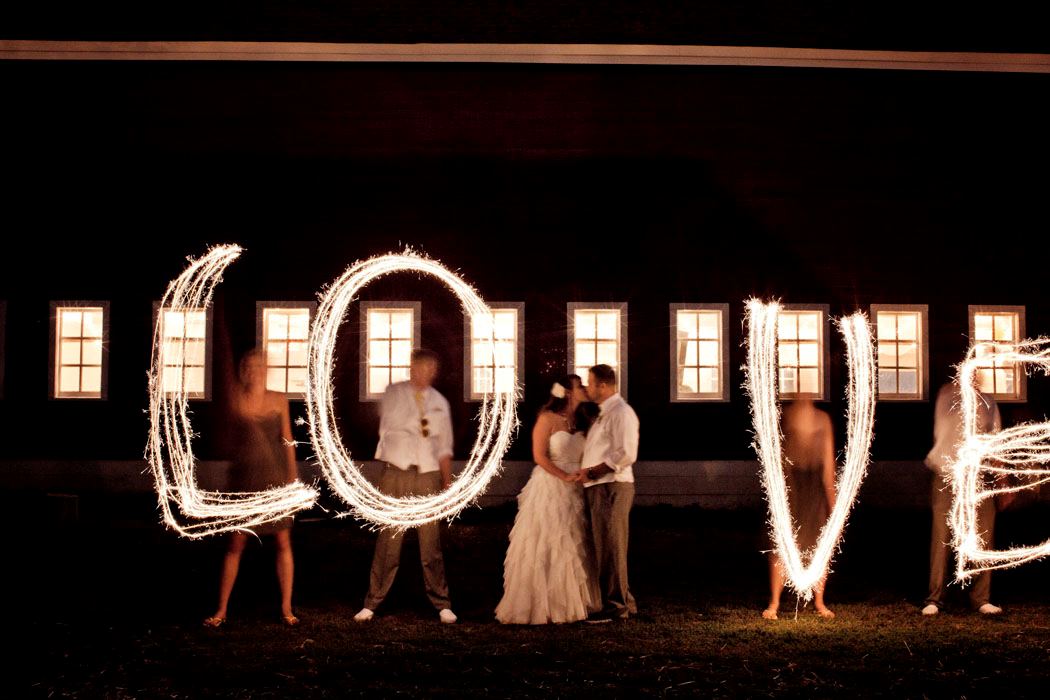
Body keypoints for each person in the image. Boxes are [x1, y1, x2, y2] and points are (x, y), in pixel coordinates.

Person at [354, 349, 458, 624]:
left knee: (430, 542)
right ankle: (373, 602)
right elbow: (391, 426)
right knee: (389, 539)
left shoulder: (440, 403)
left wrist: (446, 484)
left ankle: (441, 602)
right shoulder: (394, 393)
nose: (423, 373)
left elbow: (444, 446)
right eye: (418, 368)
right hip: (397, 472)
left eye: (429, 369)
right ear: (411, 367)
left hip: (428, 474)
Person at [204, 349, 301, 627]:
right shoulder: (235, 398)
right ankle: (221, 610)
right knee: (236, 543)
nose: (254, 370)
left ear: (266, 368)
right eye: (248, 366)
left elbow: (287, 439)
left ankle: (286, 608)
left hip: (274, 479)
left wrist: (292, 478)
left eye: (259, 365)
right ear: (242, 370)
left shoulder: (278, 399)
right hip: (245, 480)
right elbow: (224, 436)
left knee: (283, 541)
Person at [495, 375, 600, 624]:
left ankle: (577, 599)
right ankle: (545, 604)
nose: (585, 388)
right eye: (579, 385)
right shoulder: (547, 418)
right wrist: (563, 475)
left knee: (575, 542)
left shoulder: (584, 420)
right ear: (568, 392)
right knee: (550, 540)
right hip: (552, 484)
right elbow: (540, 456)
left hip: (578, 486)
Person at [922, 382, 1002, 615]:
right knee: (942, 536)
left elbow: (994, 442)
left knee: (984, 535)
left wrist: (1000, 479)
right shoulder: (946, 395)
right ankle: (935, 599)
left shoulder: (988, 402)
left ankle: (981, 598)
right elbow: (944, 431)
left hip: (979, 477)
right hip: (947, 475)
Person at [761, 399, 836, 620]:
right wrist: (781, 492)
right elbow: (778, 454)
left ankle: (819, 601)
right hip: (792, 487)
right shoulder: (788, 416)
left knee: (819, 545)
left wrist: (833, 503)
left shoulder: (822, 419)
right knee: (781, 546)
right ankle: (774, 602)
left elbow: (828, 461)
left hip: (814, 489)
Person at [579, 364, 640, 622]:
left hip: (611, 485)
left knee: (611, 546)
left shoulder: (621, 413)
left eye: (590, 383)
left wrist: (593, 471)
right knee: (606, 545)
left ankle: (616, 607)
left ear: (603, 385)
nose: (587, 387)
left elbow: (626, 453)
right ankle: (625, 602)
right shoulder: (605, 413)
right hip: (599, 486)